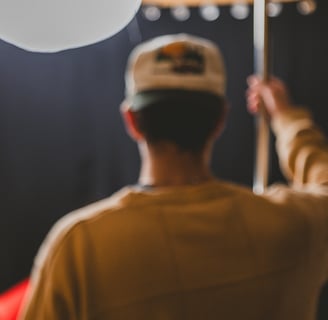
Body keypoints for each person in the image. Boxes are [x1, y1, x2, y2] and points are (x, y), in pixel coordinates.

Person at [19, 34, 328, 320]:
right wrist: (288, 119)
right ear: (220, 119)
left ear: (132, 120)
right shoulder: (293, 228)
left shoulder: (80, 247)